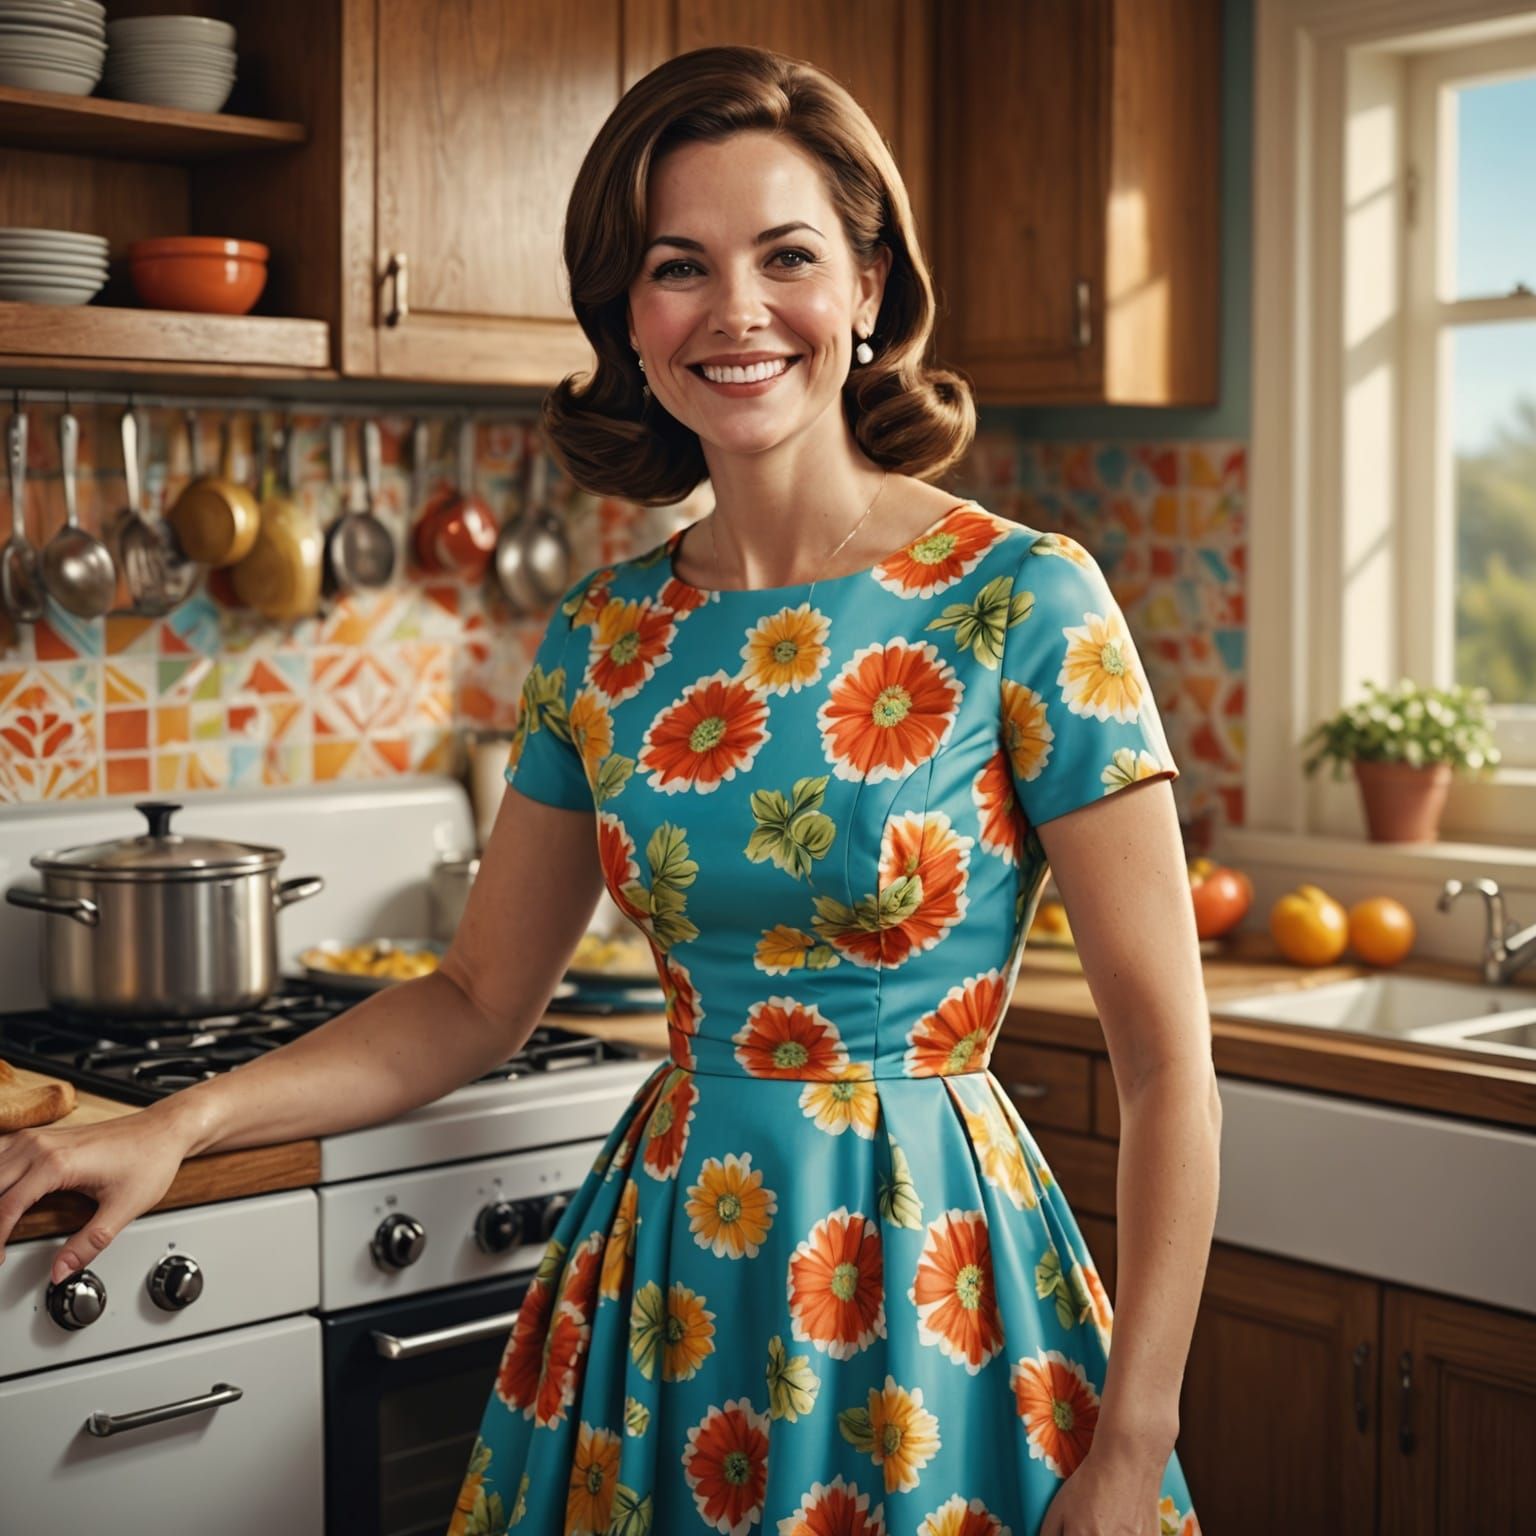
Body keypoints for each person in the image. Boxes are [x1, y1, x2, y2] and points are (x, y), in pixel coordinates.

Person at [0, 43, 1218, 1536]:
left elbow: (1168, 1071)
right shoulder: (604, 635)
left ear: (871, 292)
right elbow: (469, 1003)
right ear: (629, 319)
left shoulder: (1025, 597)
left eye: (788, 257)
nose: (737, 311)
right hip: (670, 1282)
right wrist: (180, 1121)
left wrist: (1130, 1436)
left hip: (930, 1280)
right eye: (678, 266)